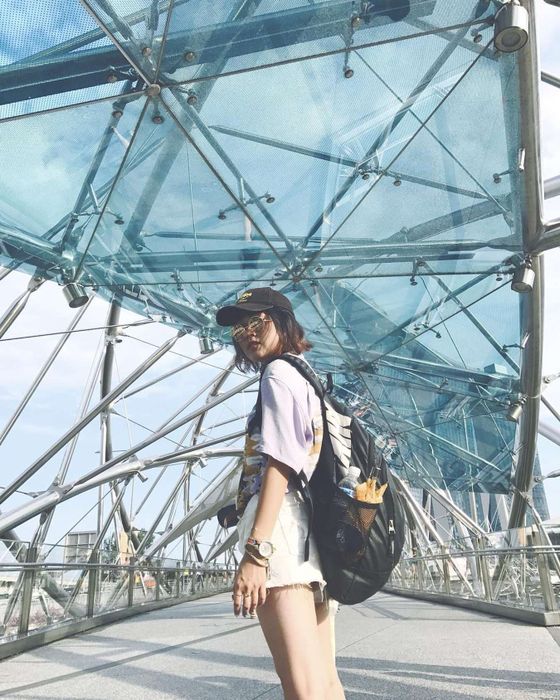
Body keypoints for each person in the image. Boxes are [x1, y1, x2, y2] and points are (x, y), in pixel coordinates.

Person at [216, 287, 345, 700]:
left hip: (280, 538)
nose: (247, 333)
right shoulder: (304, 374)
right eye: (239, 328)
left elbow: (281, 462)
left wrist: (257, 553)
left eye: (257, 321)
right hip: (305, 534)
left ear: (283, 321)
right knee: (323, 681)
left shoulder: (277, 373)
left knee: (302, 688)